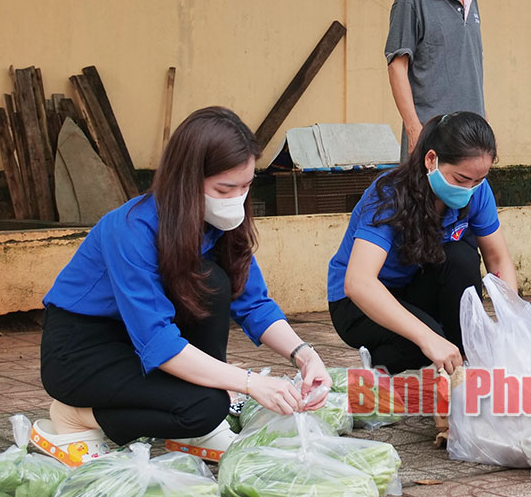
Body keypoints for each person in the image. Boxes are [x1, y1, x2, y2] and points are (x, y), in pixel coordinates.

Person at [32, 107, 331, 467]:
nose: (237, 198)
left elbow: (254, 304)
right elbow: (157, 340)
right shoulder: (129, 228)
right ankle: (77, 415)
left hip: (138, 342)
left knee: (215, 284)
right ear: (187, 179)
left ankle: (193, 427)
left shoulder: (220, 224)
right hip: (81, 351)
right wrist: (250, 383)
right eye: (225, 188)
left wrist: (305, 356)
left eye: (246, 185)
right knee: (207, 406)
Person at [328, 112, 517, 374]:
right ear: (431, 159)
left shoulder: (477, 191)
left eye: (478, 180)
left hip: (414, 287)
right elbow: (359, 283)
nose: (469, 189)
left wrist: (513, 319)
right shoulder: (390, 194)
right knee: (424, 347)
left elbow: (498, 259)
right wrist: (428, 338)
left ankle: (460, 358)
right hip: (358, 302)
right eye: (461, 180)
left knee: (461, 257)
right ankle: (382, 362)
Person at [387, 0, 485, 161]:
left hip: (472, 138)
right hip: (430, 138)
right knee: (423, 201)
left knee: (468, 200)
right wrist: (413, 128)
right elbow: (397, 66)